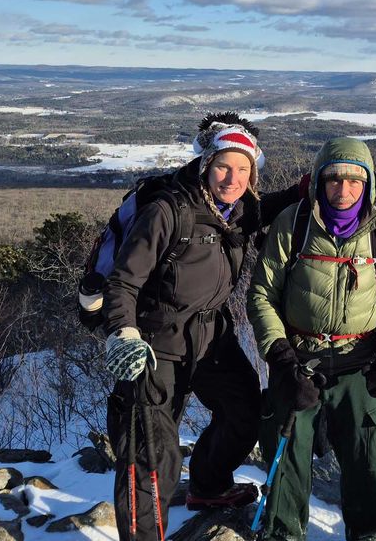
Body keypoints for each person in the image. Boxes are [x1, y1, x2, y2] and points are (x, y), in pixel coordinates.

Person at [101, 112, 297, 541]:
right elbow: (123, 280)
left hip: (211, 337)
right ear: (206, 164)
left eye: (243, 169)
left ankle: (209, 486)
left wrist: (311, 187)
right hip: (156, 342)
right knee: (152, 454)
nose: (233, 177)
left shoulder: (240, 210)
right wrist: (124, 333)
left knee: (245, 409)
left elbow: (267, 208)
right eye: (224, 166)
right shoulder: (168, 211)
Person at [247, 136, 376, 541]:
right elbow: (262, 295)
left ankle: (371, 531)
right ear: (319, 181)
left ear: (368, 184)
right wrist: (281, 358)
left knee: (368, 457)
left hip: (361, 359)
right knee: (285, 451)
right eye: (334, 179)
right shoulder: (293, 223)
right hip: (300, 358)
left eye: (355, 181)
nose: (344, 190)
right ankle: (283, 531)